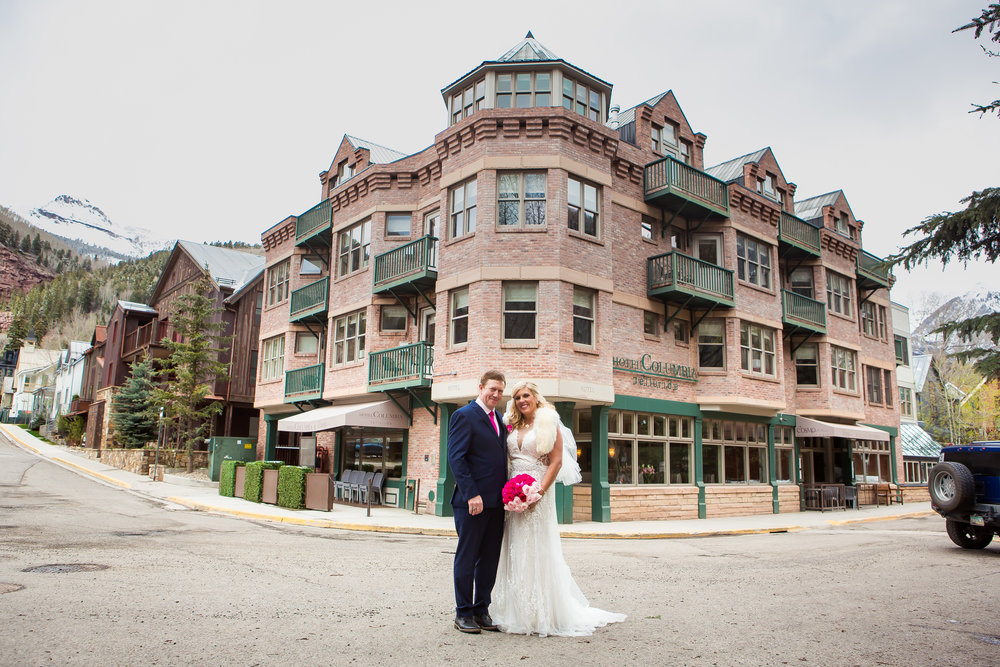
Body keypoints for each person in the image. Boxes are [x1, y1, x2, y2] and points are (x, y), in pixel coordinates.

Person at [492, 380, 626, 637]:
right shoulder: (511, 424)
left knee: (537, 547)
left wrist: (539, 491)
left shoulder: (549, 423)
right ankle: (514, 610)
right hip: (514, 493)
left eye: (526, 395)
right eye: (518, 396)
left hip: (538, 491)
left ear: (535, 397)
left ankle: (542, 612)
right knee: (514, 546)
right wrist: (511, 492)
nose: (522, 400)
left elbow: (555, 461)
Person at [446, 369, 508, 634]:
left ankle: (482, 610)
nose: (496, 394)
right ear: (480, 387)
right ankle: (463, 613)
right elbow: (456, 458)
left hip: (497, 504)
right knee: (467, 558)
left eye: (500, 391)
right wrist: (472, 494)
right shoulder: (464, 415)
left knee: (490, 559)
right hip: (472, 502)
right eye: (492, 389)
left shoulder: (500, 420)